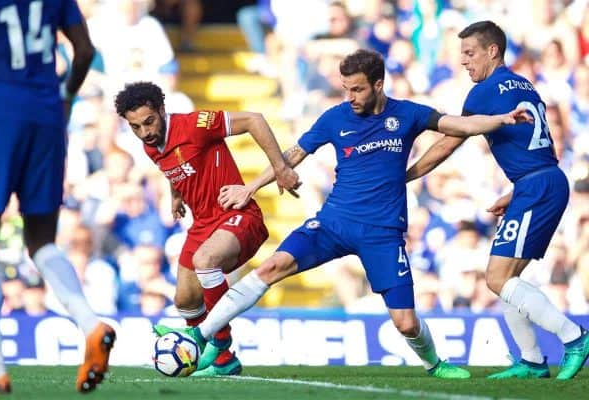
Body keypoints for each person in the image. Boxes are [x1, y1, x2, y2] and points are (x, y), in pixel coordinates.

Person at [153, 48, 531, 377]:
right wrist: (251, 187)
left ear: (378, 85)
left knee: (406, 322)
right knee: (270, 268)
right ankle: (201, 337)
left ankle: (434, 363)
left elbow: (460, 125)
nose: (349, 96)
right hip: (333, 222)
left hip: (383, 232)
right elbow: (293, 157)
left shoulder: (410, 115)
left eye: (357, 89)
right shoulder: (334, 118)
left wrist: (501, 120)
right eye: (345, 88)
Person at [405, 20, 589, 380]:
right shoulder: (523, 83)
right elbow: (534, 146)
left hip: (537, 187)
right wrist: (518, 188)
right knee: (509, 277)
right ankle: (533, 360)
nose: (463, 61)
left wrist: (406, 177)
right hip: (540, 182)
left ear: (493, 51)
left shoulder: (483, 93)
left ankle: (574, 337)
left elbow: (449, 141)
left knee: (497, 277)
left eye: (470, 53)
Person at [114, 81, 299, 376]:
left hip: (237, 215)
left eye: (149, 122)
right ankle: (224, 363)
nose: (145, 131)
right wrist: (176, 193)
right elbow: (174, 165)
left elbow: (255, 119)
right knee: (185, 300)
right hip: (202, 224)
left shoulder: (196, 124)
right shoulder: (150, 145)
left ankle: (217, 341)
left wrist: (280, 168)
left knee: (205, 262)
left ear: (162, 109)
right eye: (136, 127)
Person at [0, 0, 116, 395]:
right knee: (41, 239)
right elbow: (86, 51)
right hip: (47, 113)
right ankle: (91, 324)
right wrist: (65, 96)